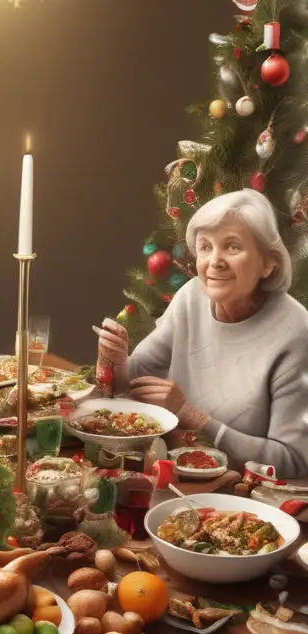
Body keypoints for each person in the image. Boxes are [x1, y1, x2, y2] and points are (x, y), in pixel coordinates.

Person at [94, 189, 308, 480]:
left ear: (268, 262)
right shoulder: (192, 296)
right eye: (205, 247)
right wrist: (116, 361)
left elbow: (295, 460)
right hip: (174, 473)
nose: (214, 261)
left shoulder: (296, 333)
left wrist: (194, 418)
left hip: (248, 500)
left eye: (232, 247)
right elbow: (131, 383)